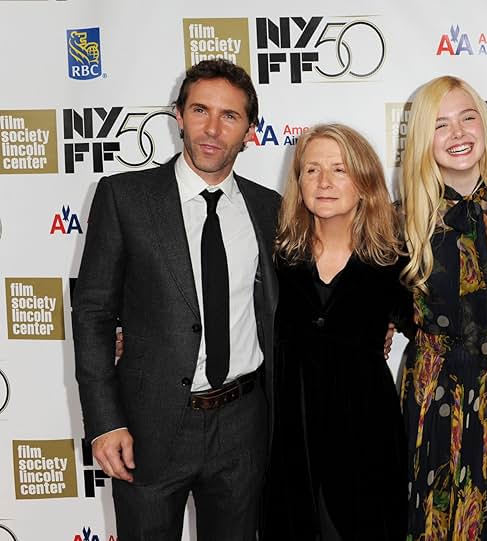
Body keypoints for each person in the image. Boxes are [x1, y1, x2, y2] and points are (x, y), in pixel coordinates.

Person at [72, 59, 280, 541]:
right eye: (200, 110)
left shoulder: (268, 208)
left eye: (229, 116)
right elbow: (93, 314)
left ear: (249, 129)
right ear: (179, 115)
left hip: (244, 425)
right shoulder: (125, 197)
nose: (211, 128)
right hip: (149, 426)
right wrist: (104, 423)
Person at [399, 75, 487, 540]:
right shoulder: (401, 217)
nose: (458, 134)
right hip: (432, 390)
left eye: (468, 117)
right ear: (423, 137)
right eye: (441, 124)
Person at [264, 124, 411, 540]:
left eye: (339, 170)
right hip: (293, 436)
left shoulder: (393, 259)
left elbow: (441, 322)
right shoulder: (275, 254)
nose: (324, 182)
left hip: (367, 434)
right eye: (311, 171)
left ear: (364, 181)